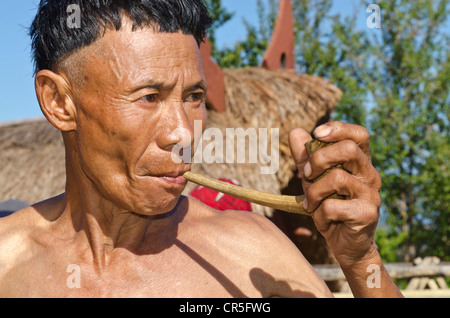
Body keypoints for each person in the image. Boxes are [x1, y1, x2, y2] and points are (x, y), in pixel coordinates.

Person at [0, 0, 403, 298]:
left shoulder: (249, 253)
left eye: (194, 96)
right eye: (149, 97)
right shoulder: (7, 262)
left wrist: (361, 260)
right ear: (58, 101)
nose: (182, 133)